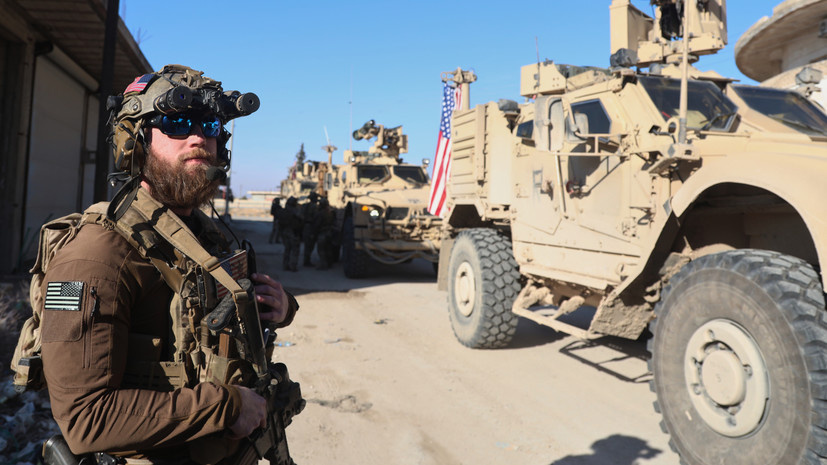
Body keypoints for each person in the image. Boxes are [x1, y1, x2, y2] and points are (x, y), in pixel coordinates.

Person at [37, 65, 300, 464]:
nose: (198, 137)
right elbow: (86, 418)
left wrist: (279, 308)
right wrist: (227, 407)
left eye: (209, 125)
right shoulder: (95, 256)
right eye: (176, 123)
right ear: (136, 142)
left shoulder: (204, 234)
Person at [279, 196, 303, 272]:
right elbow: (301, 219)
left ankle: (285, 265)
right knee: (295, 250)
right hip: (293, 232)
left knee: (287, 249)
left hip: (285, 232)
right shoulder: (295, 211)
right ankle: (293, 266)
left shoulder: (284, 210)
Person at [314, 197, 336, 270]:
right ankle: (329, 263)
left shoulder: (321, 213)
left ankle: (323, 264)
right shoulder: (330, 212)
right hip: (329, 232)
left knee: (321, 250)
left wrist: (314, 232)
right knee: (328, 249)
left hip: (323, 233)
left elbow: (317, 224)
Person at [301, 191, 319, 266]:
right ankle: (307, 261)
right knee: (310, 245)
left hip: (305, 226)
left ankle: (306, 260)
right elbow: (316, 218)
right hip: (311, 226)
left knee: (307, 245)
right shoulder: (314, 207)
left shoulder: (304, 206)